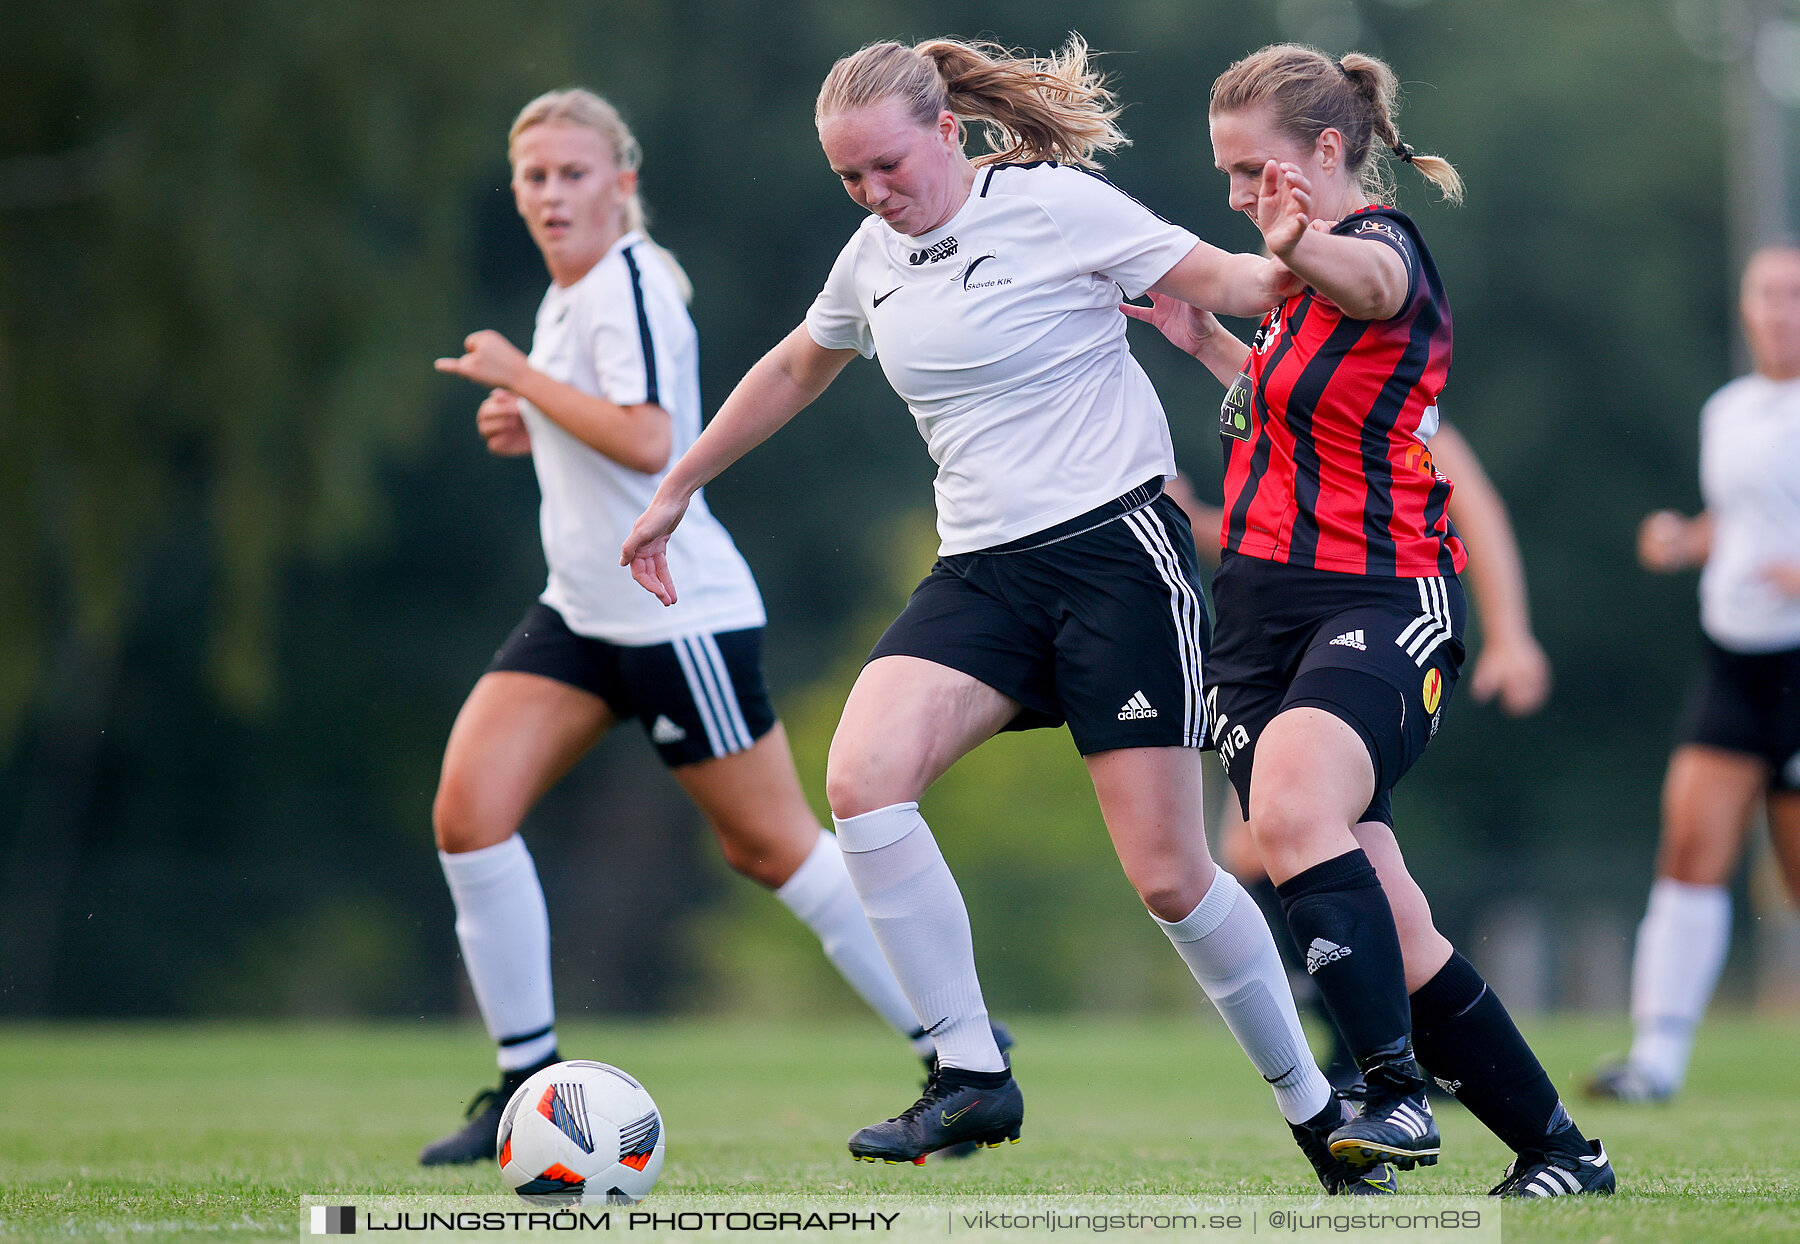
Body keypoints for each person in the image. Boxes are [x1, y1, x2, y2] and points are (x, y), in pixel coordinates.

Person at [623, 36, 1396, 1195]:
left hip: (1116, 559)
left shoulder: (1054, 204)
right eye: (850, 179)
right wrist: (680, 484)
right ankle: (971, 1068)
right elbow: (796, 364)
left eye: (888, 166)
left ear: (947, 132)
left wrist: (1293, 245)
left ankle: (1316, 1108)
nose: (875, 194)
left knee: (1173, 877)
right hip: (980, 571)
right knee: (862, 777)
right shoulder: (870, 256)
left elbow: (1235, 284)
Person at [420, 88, 975, 1167]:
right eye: (534, 176)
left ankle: (959, 1049)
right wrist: (530, 414)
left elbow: (650, 437)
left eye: (574, 173)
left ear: (621, 183)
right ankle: (524, 1083)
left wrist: (524, 383)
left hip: (679, 619)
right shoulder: (571, 292)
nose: (551, 195)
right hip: (582, 611)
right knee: (469, 813)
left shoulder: (629, 281)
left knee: (771, 847)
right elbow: (602, 433)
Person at [1123, 43, 1613, 1197]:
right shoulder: (1291, 282)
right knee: (1395, 922)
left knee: (1290, 803)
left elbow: (1378, 291)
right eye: (1229, 177)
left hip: (1383, 599)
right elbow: (1287, 411)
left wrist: (1297, 249)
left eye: (1256, 173)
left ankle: (1390, 1091)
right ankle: (1561, 1151)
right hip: (1255, 620)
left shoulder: (1380, 250)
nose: (1239, 198)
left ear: (1327, 153)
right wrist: (1206, 346)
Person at [1167, 422, 1552, 1085]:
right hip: (1281, 644)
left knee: (1290, 831)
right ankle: (1373, 1041)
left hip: (1373, 634)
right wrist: (1190, 519)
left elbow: (1475, 508)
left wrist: (1511, 634)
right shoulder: (1281, 398)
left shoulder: (1397, 410)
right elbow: (1273, 530)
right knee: (1257, 847)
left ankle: (1371, 1051)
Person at [1587, 244, 1800, 1104]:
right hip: (1731, 658)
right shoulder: (1730, 410)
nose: (1781, 308)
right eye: (1768, 294)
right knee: (1687, 847)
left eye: (1795, 294)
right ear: (1746, 307)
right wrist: (1686, 539)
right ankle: (1657, 1062)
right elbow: (1743, 518)